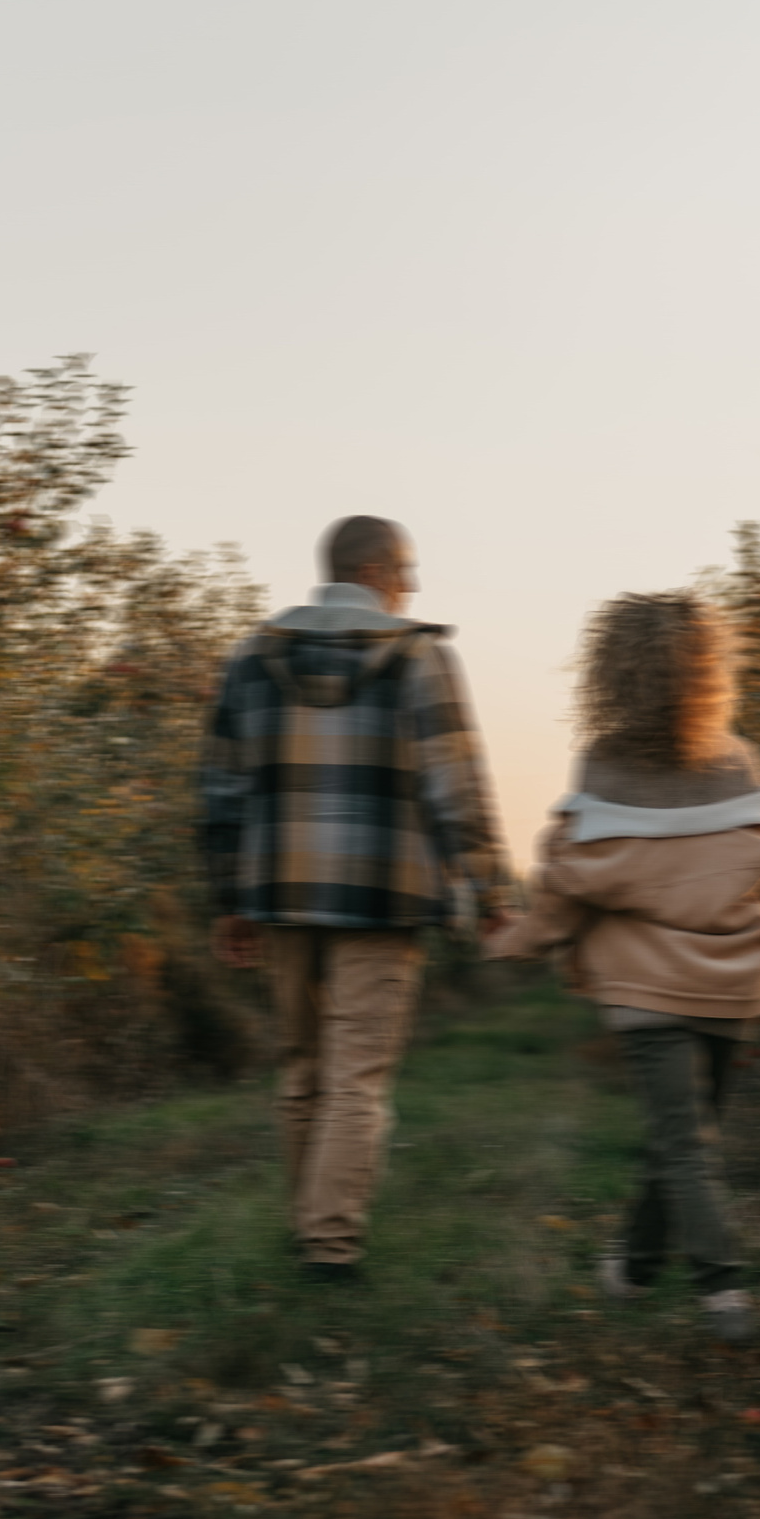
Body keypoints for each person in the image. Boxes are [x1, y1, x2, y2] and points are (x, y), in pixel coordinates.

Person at [488, 591, 760, 1341]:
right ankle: (704, 1283)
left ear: (614, 672)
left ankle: (658, 1274)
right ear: (710, 670)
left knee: (680, 1140)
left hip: (644, 988)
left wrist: (515, 942)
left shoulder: (604, 764)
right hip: (734, 980)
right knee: (688, 1137)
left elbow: (569, 883)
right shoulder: (741, 763)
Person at [199, 516, 510, 1281]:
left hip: (280, 891)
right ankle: (330, 1245)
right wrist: (491, 889)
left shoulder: (251, 657)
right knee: (356, 1076)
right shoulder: (420, 658)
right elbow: (456, 784)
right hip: (384, 892)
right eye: (406, 571)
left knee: (301, 1067)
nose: (412, 587)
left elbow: (221, 790)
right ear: (374, 572)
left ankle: (309, 1224)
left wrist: (228, 898)